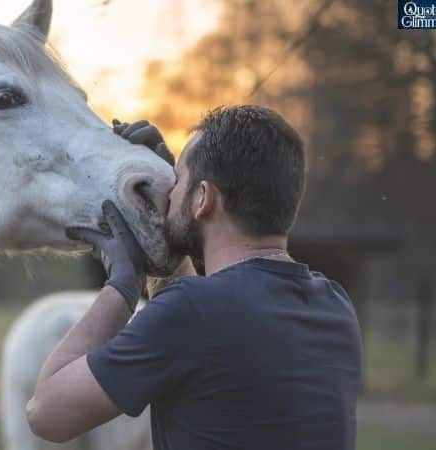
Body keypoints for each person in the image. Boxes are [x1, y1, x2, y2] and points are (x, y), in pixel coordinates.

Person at [26, 105, 362, 450]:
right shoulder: (334, 307)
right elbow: (207, 323)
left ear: (203, 198)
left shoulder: (192, 311)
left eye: (178, 181)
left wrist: (121, 285)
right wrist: (169, 232)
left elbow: (46, 413)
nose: (169, 193)